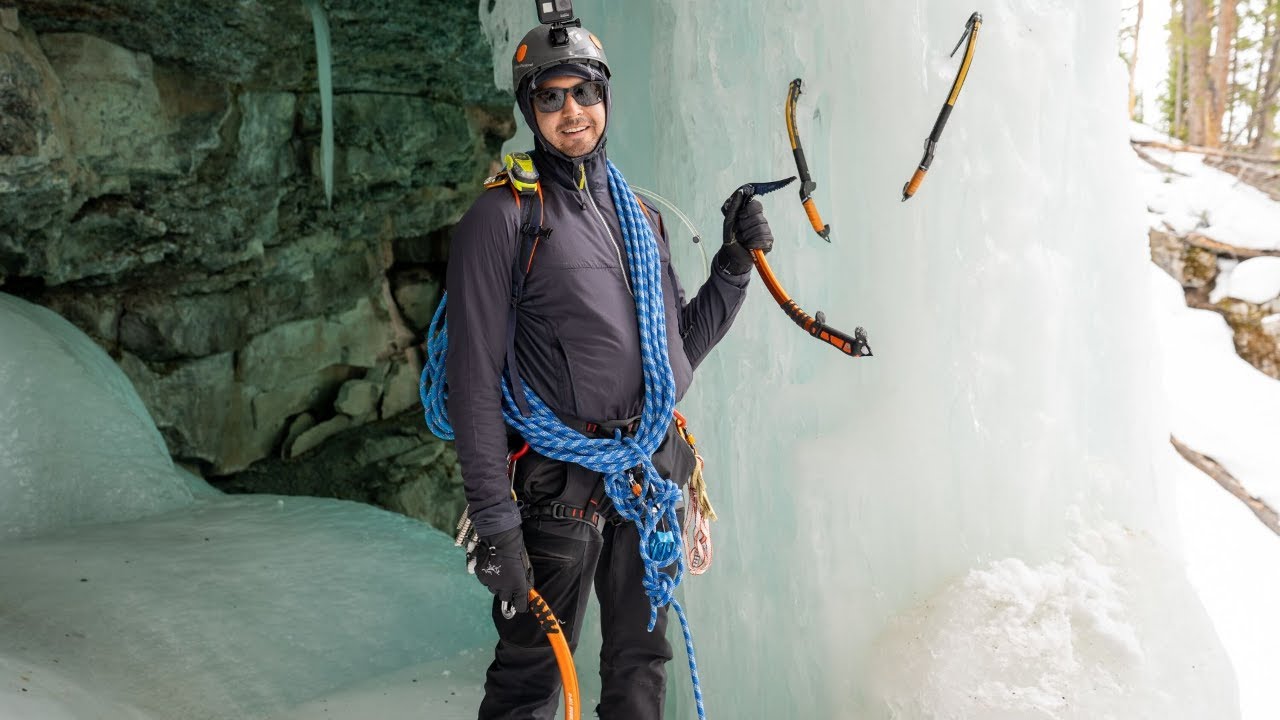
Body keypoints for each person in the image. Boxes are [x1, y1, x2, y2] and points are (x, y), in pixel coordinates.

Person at [443, 18, 774, 720]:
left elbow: (672, 352)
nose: (571, 112)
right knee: (531, 679)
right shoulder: (501, 220)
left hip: (647, 470)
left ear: (605, 96)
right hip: (558, 486)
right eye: (551, 97)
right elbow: (470, 383)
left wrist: (734, 267)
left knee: (640, 667)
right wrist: (495, 523)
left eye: (584, 92)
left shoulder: (640, 217)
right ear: (530, 109)